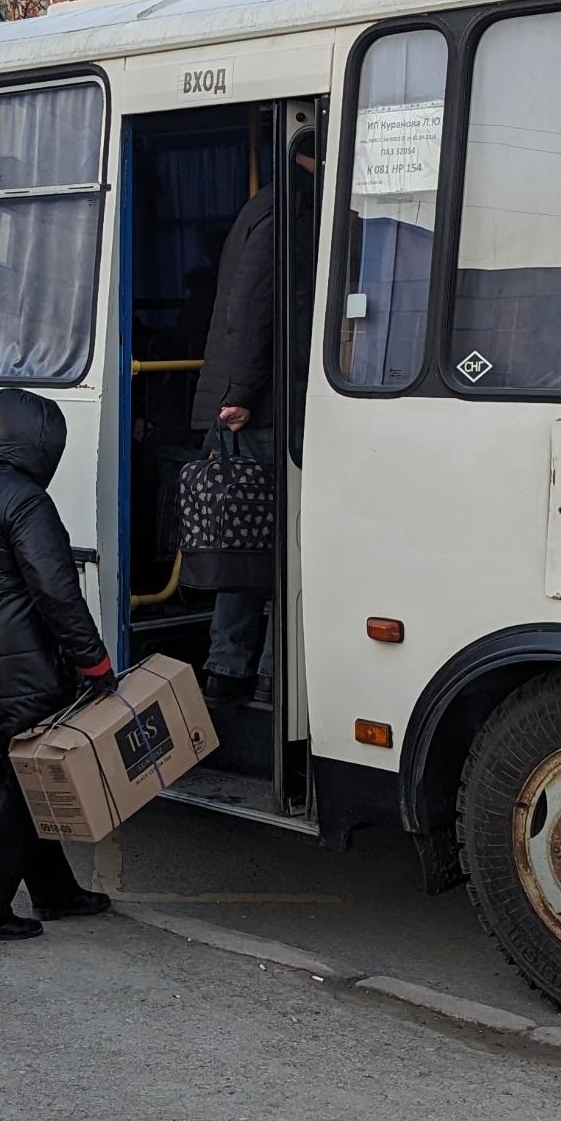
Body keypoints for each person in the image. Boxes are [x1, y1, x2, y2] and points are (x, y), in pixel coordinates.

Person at [0, 388, 115, 943]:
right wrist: (95, 663)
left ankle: (56, 893)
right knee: (28, 792)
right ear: (39, 440)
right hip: (27, 669)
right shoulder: (25, 501)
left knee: (28, 781)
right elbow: (56, 591)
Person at [189, 130, 320, 708]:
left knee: (249, 539)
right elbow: (255, 304)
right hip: (262, 406)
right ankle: (257, 672)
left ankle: (233, 669)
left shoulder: (269, 201)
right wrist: (240, 391)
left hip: (257, 401)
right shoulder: (289, 209)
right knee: (268, 543)